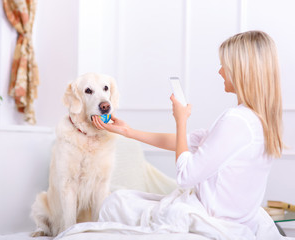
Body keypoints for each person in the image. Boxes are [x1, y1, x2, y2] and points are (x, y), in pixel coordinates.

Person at [92, 30, 283, 235]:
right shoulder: (257, 120)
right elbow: (187, 142)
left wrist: (180, 120)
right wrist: (128, 131)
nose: (220, 72)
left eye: (225, 66)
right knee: (122, 200)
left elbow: (185, 176)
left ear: (242, 70)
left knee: (115, 202)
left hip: (210, 220)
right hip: (234, 219)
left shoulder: (236, 121)